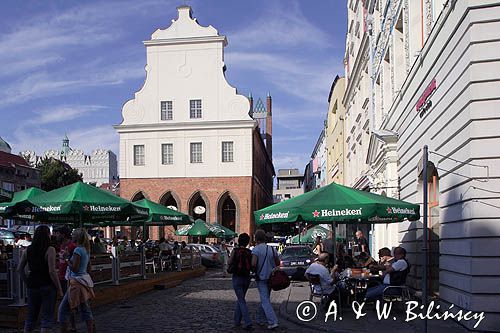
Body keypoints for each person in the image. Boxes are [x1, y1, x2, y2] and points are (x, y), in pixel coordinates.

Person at [17, 225, 63, 333]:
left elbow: (19, 269)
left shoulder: (28, 250)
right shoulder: (50, 249)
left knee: (31, 316)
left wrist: (27, 282)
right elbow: (51, 271)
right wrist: (59, 288)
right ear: (47, 235)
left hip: (33, 284)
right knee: (47, 317)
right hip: (47, 284)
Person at [58, 228, 94, 333]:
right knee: (85, 309)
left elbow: (74, 268)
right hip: (83, 281)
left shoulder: (78, 250)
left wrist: (66, 259)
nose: (71, 236)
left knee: (63, 309)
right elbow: (89, 268)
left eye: (73, 234)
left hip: (76, 282)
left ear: (77, 237)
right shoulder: (86, 250)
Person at [251, 229, 280, 330]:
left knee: (265, 300)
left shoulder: (256, 250)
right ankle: (259, 318)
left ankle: (273, 321)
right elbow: (277, 262)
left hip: (261, 277)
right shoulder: (272, 249)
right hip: (271, 277)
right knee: (265, 298)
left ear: (256, 238)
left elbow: (253, 264)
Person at [54, 226, 77, 332]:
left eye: (57, 233)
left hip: (68, 278)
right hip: (61, 276)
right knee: (65, 302)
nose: (56, 235)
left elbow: (73, 263)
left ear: (63, 234)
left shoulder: (72, 246)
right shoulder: (62, 245)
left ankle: (71, 326)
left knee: (69, 303)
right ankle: (70, 326)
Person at [228, 233, 253, 330]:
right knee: (241, 299)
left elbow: (229, 262)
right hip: (246, 278)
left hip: (237, 277)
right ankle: (237, 321)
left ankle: (248, 322)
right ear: (247, 242)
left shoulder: (235, 251)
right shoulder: (249, 252)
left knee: (241, 300)